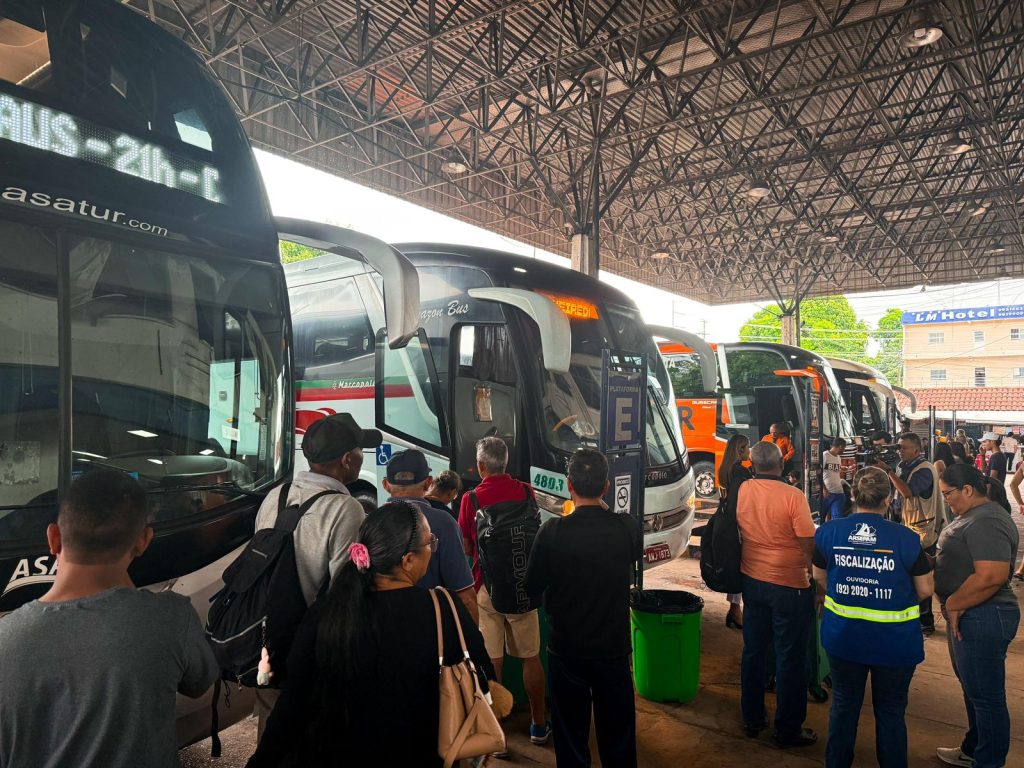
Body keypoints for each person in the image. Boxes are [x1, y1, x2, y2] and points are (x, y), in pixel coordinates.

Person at [247, 501, 496, 767]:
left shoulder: (326, 611)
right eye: (429, 543)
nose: (432, 549)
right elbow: (483, 679)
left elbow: (292, 704)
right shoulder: (443, 610)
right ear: (408, 560)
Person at [0, 470, 218, 768]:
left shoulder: (5, 636)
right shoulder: (171, 618)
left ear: (53, 538)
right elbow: (199, 683)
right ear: (143, 540)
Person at [252, 412, 374, 734]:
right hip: (311, 648)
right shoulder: (345, 508)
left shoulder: (274, 496)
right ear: (347, 459)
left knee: (273, 729)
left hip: (266, 637)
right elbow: (346, 589)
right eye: (360, 452)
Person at [525, 448, 642, 768]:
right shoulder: (627, 528)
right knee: (618, 733)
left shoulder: (552, 533)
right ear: (606, 487)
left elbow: (531, 586)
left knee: (571, 734)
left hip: (567, 649)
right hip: (613, 648)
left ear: (568, 485)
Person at [812, 467, 934, 768]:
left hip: (843, 639)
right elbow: (925, 589)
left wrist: (850, 593)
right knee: (891, 713)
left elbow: (819, 576)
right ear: (888, 498)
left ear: (853, 494)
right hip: (895, 644)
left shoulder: (828, 532)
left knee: (843, 706)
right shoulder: (906, 539)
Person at [459, 436, 549, 748]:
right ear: (505, 463)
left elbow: (468, 547)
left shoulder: (471, 499)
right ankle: (539, 724)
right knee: (531, 658)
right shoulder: (526, 490)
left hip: (488, 590)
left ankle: (499, 734)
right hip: (524, 589)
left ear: (481, 466)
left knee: (492, 662)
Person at [935, 464, 1020, 768]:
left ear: (967, 490)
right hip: (972, 614)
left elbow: (991, 575)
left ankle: (988, 761)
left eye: (948, 494)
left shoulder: (987, 520)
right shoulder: (973, 517)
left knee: (986, 698)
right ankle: (973, 749)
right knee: (974, 691)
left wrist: (955, 602)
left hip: (984, 615)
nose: (946, 500)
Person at [736, 441, 817, 747]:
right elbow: (807, 542)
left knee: (753, 651)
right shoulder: (794, 496)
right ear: (781, 464)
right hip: (790, 584)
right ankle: (788, 729)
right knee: (790, 657)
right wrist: (815, 579)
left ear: (753, 465)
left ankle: (752, 718)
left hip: (752, 579)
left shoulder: (744, 489)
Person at [384, 448, 478, 623]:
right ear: (428, 483)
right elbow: (466, 596)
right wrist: (472, 643)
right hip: (433, 630)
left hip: (381, 631)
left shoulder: (371, 523)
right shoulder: (444, 523)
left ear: (385, 485)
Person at [876, 432, 943, 636]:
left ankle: (926, 621)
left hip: (923, 530)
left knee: (921, 575)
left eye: (903, 447)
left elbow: (907, 492)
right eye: (898, 447)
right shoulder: (904, 467)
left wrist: (887, 471)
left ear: (916, 449)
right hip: (908, 526)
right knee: (908, 574)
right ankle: (913, 617)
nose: (900, 451)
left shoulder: (924, 470)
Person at [718, 433, 752, 629]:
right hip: (742, 523)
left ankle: (734, 608)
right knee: (743, 566)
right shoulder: (741, 472)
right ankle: (736, 610)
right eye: (748, 447)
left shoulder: (727, 469)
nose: (750, 451)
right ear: (740, 450)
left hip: (731, 523)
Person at [821, 437, 848, 523]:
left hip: (839, 492)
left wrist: (842, 468)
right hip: (827, 492)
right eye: (844, 448)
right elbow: (818, 473)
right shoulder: (825, 455)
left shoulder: (838, 458)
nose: (844, 450)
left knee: (837, 519)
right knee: (821, 517)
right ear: (840, 446)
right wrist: (824, 489)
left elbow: (834, 471)